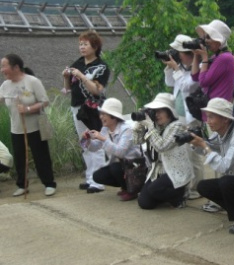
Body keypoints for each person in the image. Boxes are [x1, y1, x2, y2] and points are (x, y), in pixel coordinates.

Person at [0, 54, 57, 196]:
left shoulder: (32, 81)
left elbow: (44, 101)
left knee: (41, 156)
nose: (2, 70)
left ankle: (49, 183)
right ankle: (22, 185)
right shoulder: (5, 85)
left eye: (4, 66)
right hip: (16, 128)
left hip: (35, 126)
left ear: (16, 67)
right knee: (19, 158)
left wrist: (28, 109)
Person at [62, 30, 110, 193]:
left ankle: (98, 181)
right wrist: (66, 77)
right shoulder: (78, 62)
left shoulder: (101, 66)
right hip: (76, 106)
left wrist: (82, 76)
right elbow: (68, 88)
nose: (81, 47)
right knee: (85, 143)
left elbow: (97, 90)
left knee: (95, 141)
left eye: (85, 44)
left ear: (95, 46)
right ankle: (90, 178)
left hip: (92, 108)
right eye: (80, 44)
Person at [135, 93, 195, 209]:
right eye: (154, 111)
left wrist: (150, 128)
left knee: (153, 189)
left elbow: (162, 146)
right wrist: (139, 125)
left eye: (160, 111)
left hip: (175, 170)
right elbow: (137, 141)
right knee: (145, 203)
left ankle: (179, 195)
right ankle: (165, 196)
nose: (156, 115)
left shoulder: (177, 126)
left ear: (169, 112)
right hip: (158, 170)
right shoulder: (155, 126)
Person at [162, 34, 204, 200]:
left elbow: (188, 86)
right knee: (184, 151)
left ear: (188, 53)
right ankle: (189, 185)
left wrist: (177, 69)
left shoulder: (199, 67)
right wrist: (169, 67)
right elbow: (170, 83)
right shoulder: (182, 68)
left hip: (192, 117)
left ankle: (197, 188)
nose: (178, 56)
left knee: (194, 152)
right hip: (179, 116)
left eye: (180, 52)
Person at [189, 98, 234, 212]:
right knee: (203, 187)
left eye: (211, 117)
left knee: (225, 181)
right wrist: (195, 143)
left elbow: (224, 166)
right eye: (207, 117)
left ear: (225, 119)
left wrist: (204, 145)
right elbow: (209, 148)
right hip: (233, 180)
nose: (208, 121)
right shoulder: (220, 132)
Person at [81, 98, 142, 201]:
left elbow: (120, 152)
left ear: (113, 116)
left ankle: (132, 190)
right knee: (97, 176)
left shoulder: (127, 129)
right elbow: (95, 147)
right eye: (101, 114)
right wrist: (87, 140)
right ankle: (126, 186)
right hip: (121, 165)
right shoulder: (105, 129)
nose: (101, 117)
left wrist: (102, 138)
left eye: (104, 114)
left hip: (134, 166)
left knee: (115, 167)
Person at [191, 19, 234, 116]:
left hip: (218, 113)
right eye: (205, 37)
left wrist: (205, 57)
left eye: (209, 37)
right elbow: (195, 76)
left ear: (219, 41)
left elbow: (203, 82)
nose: (206, 41)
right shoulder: (216, 57)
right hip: (211, 111)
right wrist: (196, 54)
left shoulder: (225, 58)